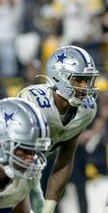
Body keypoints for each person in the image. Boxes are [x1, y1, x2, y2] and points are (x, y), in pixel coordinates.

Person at [17, 45, 99, 213]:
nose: (84, 87)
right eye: (78, 79)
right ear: (59, 76)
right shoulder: (35, 103)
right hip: (2, 166)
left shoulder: (86, 110)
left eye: (88, 80)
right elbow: (17, 160)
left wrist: (49, 205)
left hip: (29, 168)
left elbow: (64, 161)